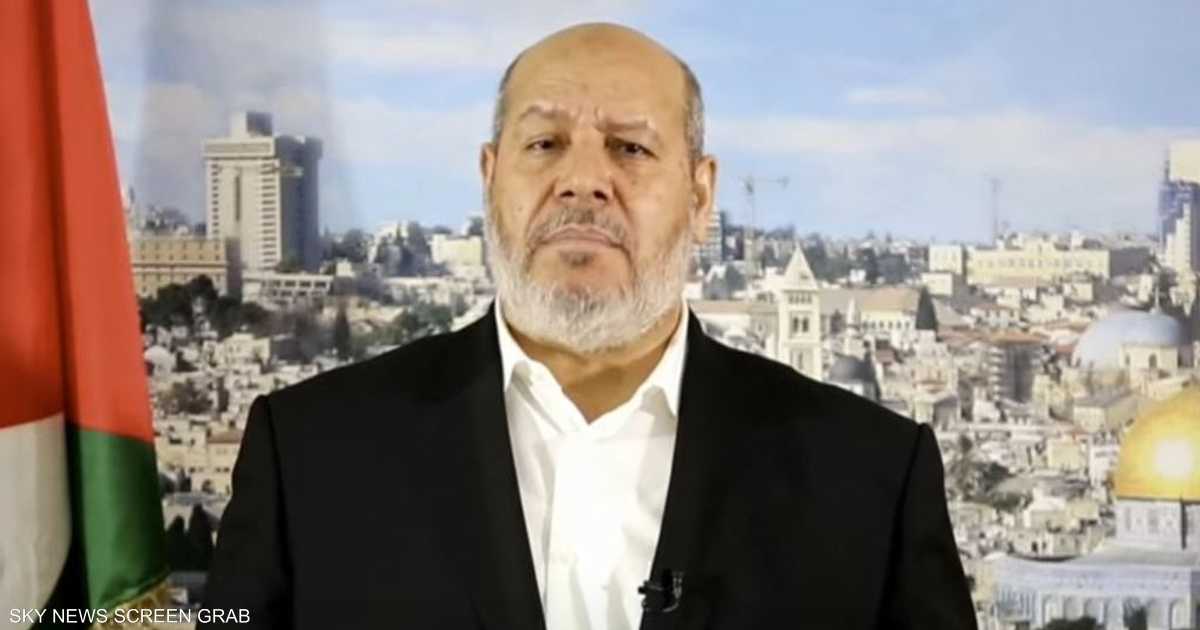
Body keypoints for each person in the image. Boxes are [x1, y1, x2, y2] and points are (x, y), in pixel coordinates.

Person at [200, 22, 977, 630]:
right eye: (544, 145)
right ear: (490, 177)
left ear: (700, 195)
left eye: (630, 148)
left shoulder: (870, 479)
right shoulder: (311, 455)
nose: (582, 181)